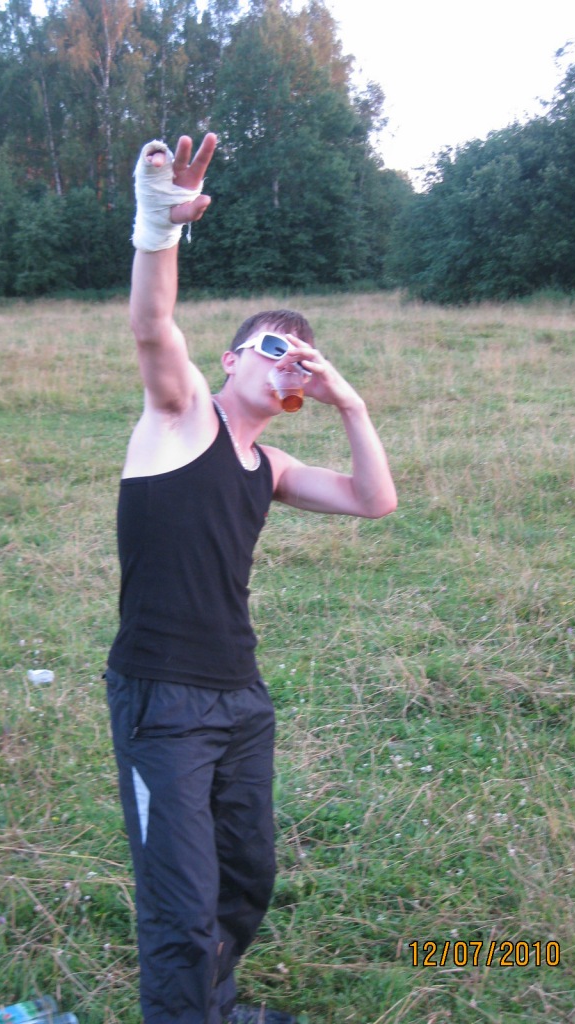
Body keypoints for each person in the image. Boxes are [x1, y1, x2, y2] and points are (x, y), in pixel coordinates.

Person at [105, 132, 397, 1024]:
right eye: (274, 347)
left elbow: (373, 501)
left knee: (245, 877)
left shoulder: (269, 467)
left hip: (241, 698)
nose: (288, 364)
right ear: (232, 360)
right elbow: (152, 326)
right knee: (181, 905)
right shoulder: (180, 416)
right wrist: (159, 225)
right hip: (162, 700)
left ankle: (216, 1006)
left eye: (301, 361)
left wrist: (351, 403)